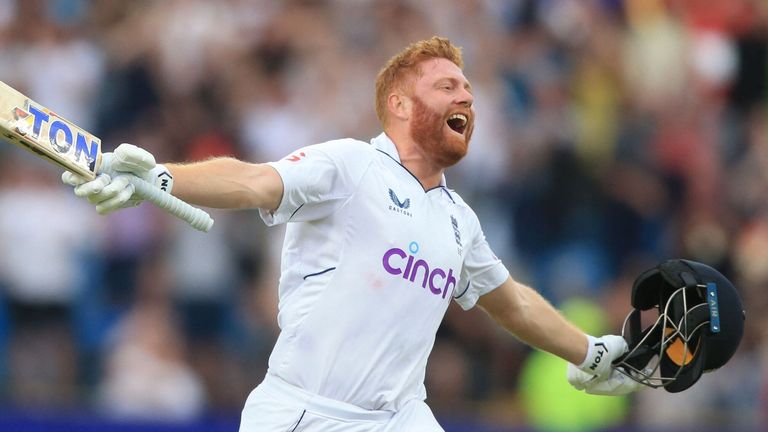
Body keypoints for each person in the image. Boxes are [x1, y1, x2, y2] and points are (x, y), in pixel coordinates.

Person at [63, 36, 642, 431]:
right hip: (304, 414)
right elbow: (254, 180)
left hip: (399, 418)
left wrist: (591, 352)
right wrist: (162, 177)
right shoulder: (350, 164)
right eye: (446, 86)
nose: (466, 95)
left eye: (467, 89)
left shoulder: (458, 218)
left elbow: (510, 302)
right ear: (397, 102)